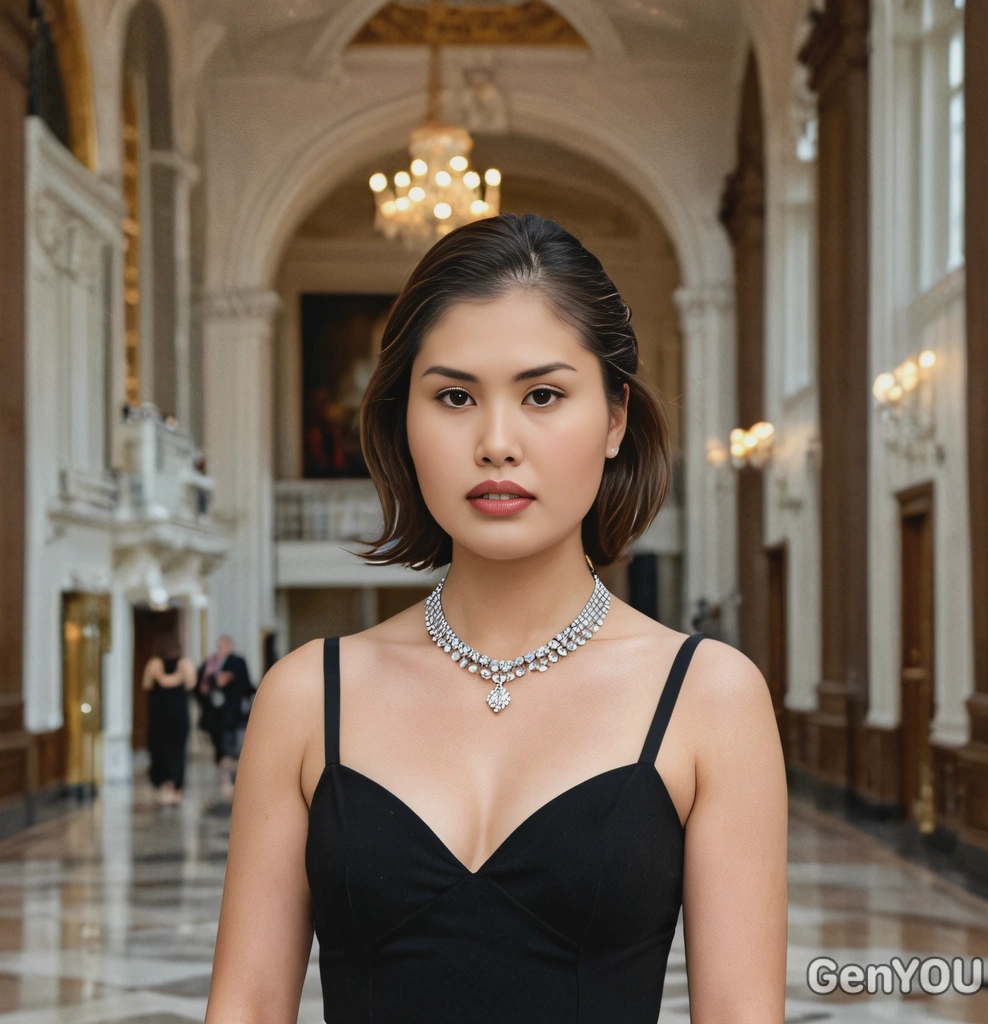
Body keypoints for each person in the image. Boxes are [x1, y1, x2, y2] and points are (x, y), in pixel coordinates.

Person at [205, 213, 788, 1022]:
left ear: (616, 417)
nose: (496, 442)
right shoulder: (307, 695)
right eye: (453, 397)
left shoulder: (709, 697)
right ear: (404, 422)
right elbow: (246, 1008)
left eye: (543, 394)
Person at [196, 635, 253, 799]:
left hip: (235, 713)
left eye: (225, 645)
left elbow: (246, 684)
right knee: (222, 749)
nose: (222, 648)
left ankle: (233, 781)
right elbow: (205, 687)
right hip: (217, 715)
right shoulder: (211, 663)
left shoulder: (237, 662)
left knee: (234, 748)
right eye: (220, 645)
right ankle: (226, 780)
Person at [141, 638, 196, 805]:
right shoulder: (184, 664)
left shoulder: (154, 664)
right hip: (177, 713)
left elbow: (147, 684)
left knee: (162, 750)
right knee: (176, 751)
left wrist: (163, 679)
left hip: (160, 713)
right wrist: (178, 677)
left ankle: (166, 786)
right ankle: (175, 787)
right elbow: (191, 684)